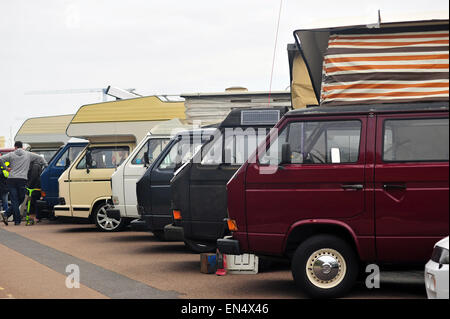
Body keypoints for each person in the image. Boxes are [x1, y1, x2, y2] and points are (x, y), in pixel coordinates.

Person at [0, 141, 47, 226]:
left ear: (15, 147)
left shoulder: (11, 154)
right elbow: (40, 158)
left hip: (11, 179)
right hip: (22, 179)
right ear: (22, 147)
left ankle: (7, 214)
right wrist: (46, 166)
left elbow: (1, 159)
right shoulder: (28, 154)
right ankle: (16, 220)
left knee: (14, 200)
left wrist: (6, 168)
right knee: (21, 199)